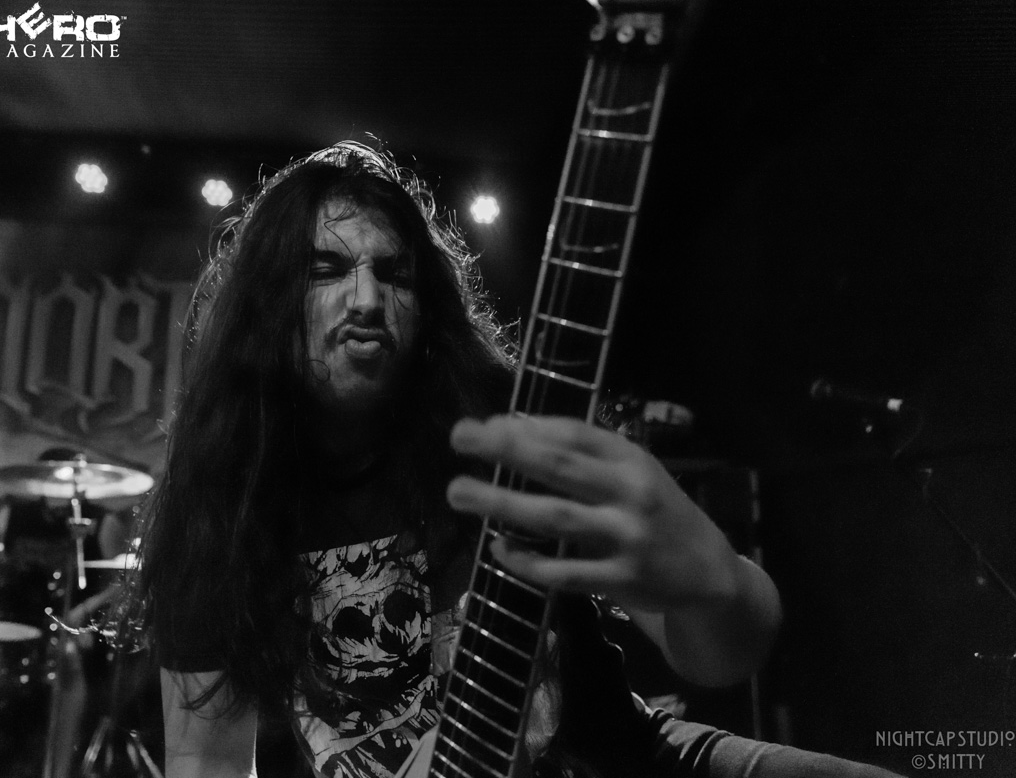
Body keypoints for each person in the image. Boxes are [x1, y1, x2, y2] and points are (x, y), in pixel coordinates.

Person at [128, 142, 899, 778]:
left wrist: (715, 583)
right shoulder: (220, 510)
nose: (366, 299)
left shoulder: (505, 431)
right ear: (266, 301)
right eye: (325, 269)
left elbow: (731, 648)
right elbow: (206, 762)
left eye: (394, 273)